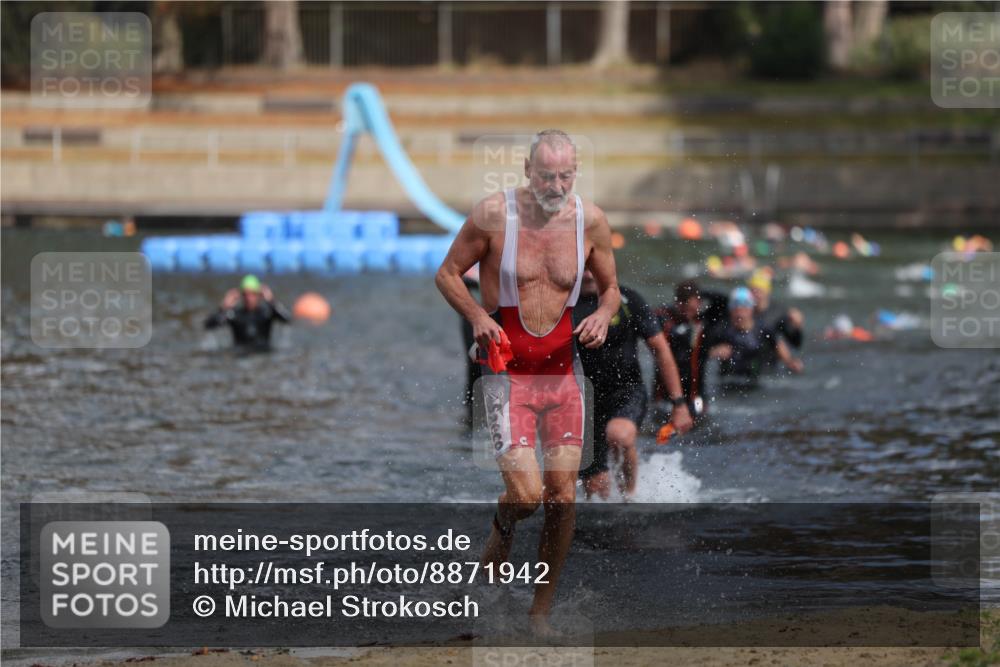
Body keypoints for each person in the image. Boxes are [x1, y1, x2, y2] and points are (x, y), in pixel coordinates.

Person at [435, 130, 619, 634]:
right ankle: (502, 525)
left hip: (563, 377)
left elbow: (611, 290)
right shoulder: (494, 215)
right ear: (526, 170)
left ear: (575, 172)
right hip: (505, 377)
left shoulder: (592, 221)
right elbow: (448, 274)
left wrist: (603, 314)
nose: (555, 185)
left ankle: (539, 615)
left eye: (565, 175)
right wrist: (476, 316)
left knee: (563, 497)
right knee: (525, 497)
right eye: (546, 175)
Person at [574, 272, 693, 500]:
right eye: (583, 266)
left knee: (619, 435)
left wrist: (679, 403)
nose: (589, 273)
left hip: (627, 391)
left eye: (594, 266)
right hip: (583, 402)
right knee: (595, 492)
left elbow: (660, 350)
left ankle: (631, 498)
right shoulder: (564, 304)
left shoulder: (628, 299)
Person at [706, 287, 803, 394]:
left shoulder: (763, 328)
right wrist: (714, 352)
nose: (740, 311)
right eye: (736, 306)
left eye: (744, 306)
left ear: (751, 308)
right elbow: (702, 352)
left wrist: (790, 362)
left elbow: (777, 344)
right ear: (730, 309)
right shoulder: (721, 330)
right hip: (727, 384)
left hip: (757, 383)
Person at [654, 280, 728, 419]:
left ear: (699, 303)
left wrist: (699, 293)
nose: (688, 313)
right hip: (665, 397)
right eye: (684, 308)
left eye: (692, 308)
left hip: (696, 396)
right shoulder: (665, 320)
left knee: (700, 427)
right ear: (677, 304)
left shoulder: (705, 321)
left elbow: (724, 301)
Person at [204, 274, 290, 351]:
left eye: (253, 294)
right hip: (241, 354)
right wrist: (223, 307)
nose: (249, 298)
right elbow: (209, 325)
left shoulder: (266, 313)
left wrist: (272, 302)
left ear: (259, 295)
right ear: (242, 295)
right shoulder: (234, 314)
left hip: (263, 354)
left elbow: (287, 319)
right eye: (246, 294)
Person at [747, 269, 805, 364]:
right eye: (752, 291)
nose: (755, 294)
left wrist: (797, 326)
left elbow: (795, 343)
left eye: (758, 291)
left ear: (767, 291)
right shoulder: (744, 312)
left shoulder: (779, 312)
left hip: (772, 359)